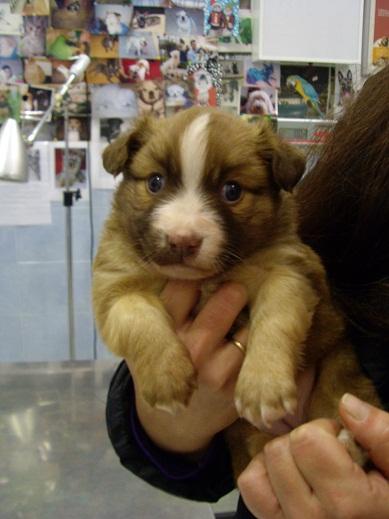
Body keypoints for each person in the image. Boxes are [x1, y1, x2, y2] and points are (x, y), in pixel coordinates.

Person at [106, 64, 389, 518]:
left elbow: (291, 287)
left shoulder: (270, 245)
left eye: (232, 191)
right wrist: (167, 419)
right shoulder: (362, 167)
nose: (182, 230)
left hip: (334, 408)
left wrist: (268, 358)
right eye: (156, 184)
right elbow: (120, 309)